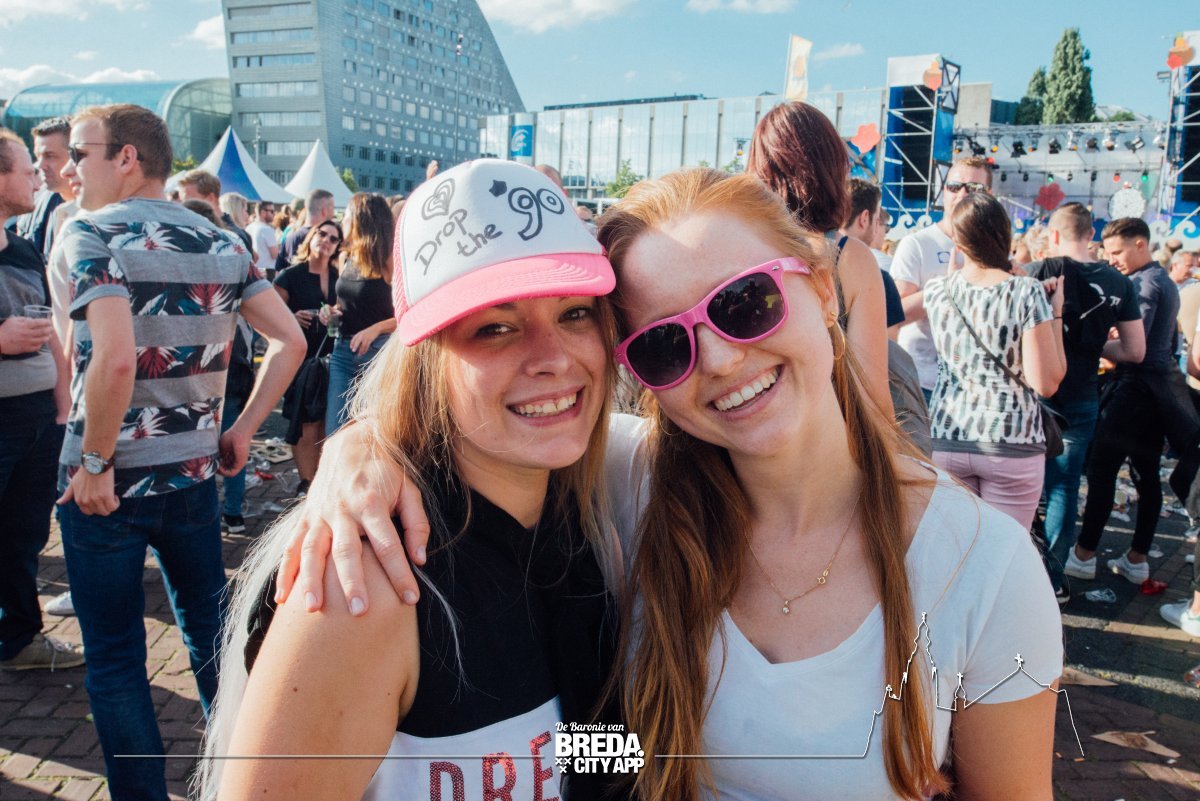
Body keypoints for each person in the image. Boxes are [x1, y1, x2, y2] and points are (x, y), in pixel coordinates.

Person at [286, 169, 1063, 800]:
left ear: (822, 290)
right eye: (664, 345)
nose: (720, 359)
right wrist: (363, 449)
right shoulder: (633, 484)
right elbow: (624, 750)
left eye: (746, 303)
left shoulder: (982, 568)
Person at [198, 159, 621, 801]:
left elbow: (594, 759)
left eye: (576, 313)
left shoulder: (601, 510)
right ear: (424, 361)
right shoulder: (366, 582)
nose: (554, 358)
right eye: (496, 327)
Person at [54, 103, 305, 801]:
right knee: (213, 637)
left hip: (105, 487)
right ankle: (242, 778)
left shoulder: (88, 234)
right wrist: (242, 429)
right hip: (193, 477)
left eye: (80, 153)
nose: (71, 169)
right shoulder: (223, 240)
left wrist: (96, 464)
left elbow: (114, 360)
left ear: (126, 157)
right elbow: (290, 340)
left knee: (115, 661)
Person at [1068, 218, 1200, 585]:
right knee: (1145, 475)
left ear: (1140, 244)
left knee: (1103, 471)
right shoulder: (1158, 280)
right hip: (1154, 394)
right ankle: (1137, 558)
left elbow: (1133, 348)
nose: (1112, 260)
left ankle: (1084, 555)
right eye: (1107, 253)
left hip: (1134, 392)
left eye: (1117, 252)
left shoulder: (1146, 284)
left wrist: (1091, 343)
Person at [923, 192, 1066, 530]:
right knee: (1004, 553)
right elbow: (1046, 383)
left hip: (948, 434)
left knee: (955, 549)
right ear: (1005, 235)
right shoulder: (1026, 291)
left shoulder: (936, 291)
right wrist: (1056, 312)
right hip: (1010, 440)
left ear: (958, 241)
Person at [1027, 203, 1144, 601]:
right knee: (1064, 487)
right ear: (1091, 234)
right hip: (1081, 398)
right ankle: (1052, 579)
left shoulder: (1040, 271)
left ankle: (1021, 576)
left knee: (1024, 484)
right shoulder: (1119, 282)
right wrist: (1094, 347)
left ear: (1054, 235)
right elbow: (1135, 350)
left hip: (1036, 396)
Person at [747, 101, 892, 416]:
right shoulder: (847, 257)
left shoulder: (739, 252)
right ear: (833, 168)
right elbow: (873, 399)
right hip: (827, 436)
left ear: (759, 169)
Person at [0, 127, 81, 671]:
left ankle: (19, 640)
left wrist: (61, 406)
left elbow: (51, 329)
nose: (37, 178)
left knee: (24, 536)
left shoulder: (26, 247)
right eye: (26, 168)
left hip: (37, 420)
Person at [892, 155, 994, 402]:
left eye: (973, 188)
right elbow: (897, 314)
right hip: (922, 382)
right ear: (944, 191)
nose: (962, 194)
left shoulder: (994, 248)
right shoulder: (917, 244)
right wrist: (947, 288)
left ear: (989, 194)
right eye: (954, 186)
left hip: (974, 385)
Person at [273, 219, 340, 495]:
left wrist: (337, 313)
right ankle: (306, 482)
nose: (326, 240)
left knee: (325, 417)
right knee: (304, 419)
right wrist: (291, 316)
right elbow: (268, 317)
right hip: (300, 356)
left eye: (333, 238)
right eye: (322, 234)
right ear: (311, 236)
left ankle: (320, 480)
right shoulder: (290, 276)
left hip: (331, 355)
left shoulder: (339, 276)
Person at [322, 192, 396, 435]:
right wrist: (331, 311)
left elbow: (410, 313)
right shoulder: (346, 257)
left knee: (377, 434)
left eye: (346, 216)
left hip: (380, 355)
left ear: (360, 220)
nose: (341, 221)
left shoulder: (388, 260)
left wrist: (376, 329)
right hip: (343, 351)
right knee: (336, 432)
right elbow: (343, 303)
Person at [15, 116, 74, 257]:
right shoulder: (33, 202)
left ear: (75, 157)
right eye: (38, 156)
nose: (40, 165)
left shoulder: (101, 208)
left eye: (50, 156)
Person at [177, 169, 254, 251]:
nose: (184, 207)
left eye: (189, 201)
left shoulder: (234, 237)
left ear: (210, 198)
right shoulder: (197, 230)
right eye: (182, 202)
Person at [275, 188, 334, 274]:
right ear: (324, 211)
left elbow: (278, 273)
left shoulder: (290, 238)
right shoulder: (328, 239)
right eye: (332, 208)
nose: (333, 213)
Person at [245, 200, 279, 281]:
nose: (274, 214)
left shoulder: (248, 228)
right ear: (263, 212)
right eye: (272, 211)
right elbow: (274, 255)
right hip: (267, 271)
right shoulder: (266, 229)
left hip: (253, 270)